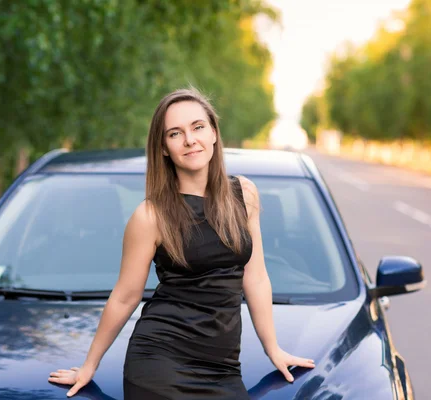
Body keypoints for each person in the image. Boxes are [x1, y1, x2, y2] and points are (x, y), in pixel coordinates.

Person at [47, 87, 315, 398]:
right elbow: (125, 296)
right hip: (160, 363)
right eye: (175, 133)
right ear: (163, 148)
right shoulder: (151, 215)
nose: (190, 139)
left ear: (214, 132)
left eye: (198, 127)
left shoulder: (244, 194)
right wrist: (89, 365)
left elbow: (255, 278)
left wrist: (274, 348)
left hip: (224, 369)